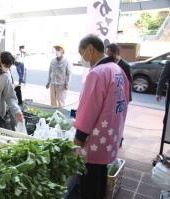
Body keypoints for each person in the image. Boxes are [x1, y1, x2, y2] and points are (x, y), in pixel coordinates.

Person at [73, 34, 130, 199]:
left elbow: (88, 110)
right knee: (100, 175)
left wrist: (78, 139)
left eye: (80, 52)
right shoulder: (117, 69)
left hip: (94, 140)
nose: (81, 57)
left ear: (90, 49)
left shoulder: (97, 73)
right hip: (110, 136)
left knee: (89, 181)